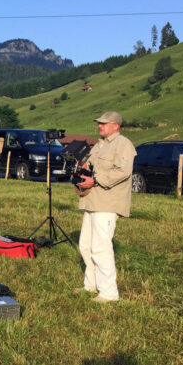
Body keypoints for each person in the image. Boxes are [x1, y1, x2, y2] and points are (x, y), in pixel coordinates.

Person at [75, 111, 136, 303]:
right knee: (85, 245)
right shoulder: (98, 146)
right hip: (93, 201)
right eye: (99, 123)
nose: (100, 126)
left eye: (104, 123)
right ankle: (91, 285)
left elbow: (123, 172)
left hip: (108, 203)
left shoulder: (124, 144)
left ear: (115, 126)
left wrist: (95, 180)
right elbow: (90, 169)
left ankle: (109, 293)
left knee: (101, 248)